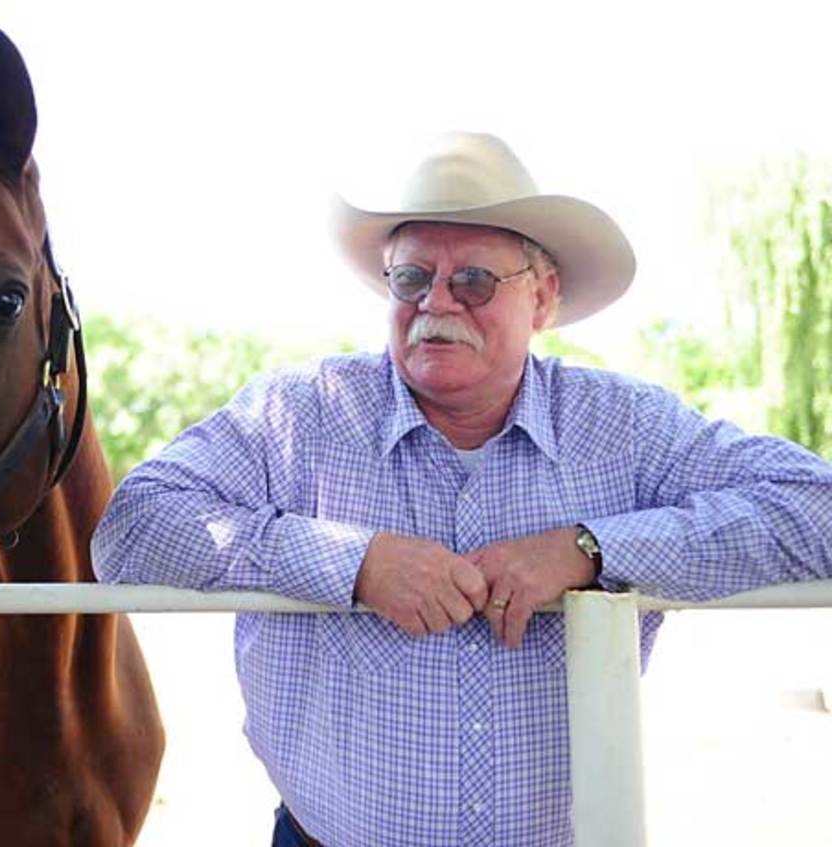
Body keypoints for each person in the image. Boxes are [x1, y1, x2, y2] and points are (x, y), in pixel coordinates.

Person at [91, 131, 832, 846]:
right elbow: (132, 529)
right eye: (412, 277)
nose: (436, 302)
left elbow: (817, 508)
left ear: (543, 298)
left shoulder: (625, 425)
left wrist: (592, 549)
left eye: (474, 280)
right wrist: (351, 562)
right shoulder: (301, 414)